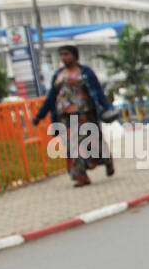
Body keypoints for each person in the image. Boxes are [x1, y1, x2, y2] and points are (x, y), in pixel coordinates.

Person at [32, 44, 113, 187]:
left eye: (67, 54)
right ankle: (80, 176)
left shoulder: (85, 72)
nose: (64, 57)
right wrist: (40, 116)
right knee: (72, 144)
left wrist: (107, 107)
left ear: (75, 56)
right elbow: (51, 97)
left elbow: (98, 91)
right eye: (62, 54)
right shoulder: (58, 75)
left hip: (85, 114)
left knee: (91, 142)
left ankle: (106, 160)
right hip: (65, 117)